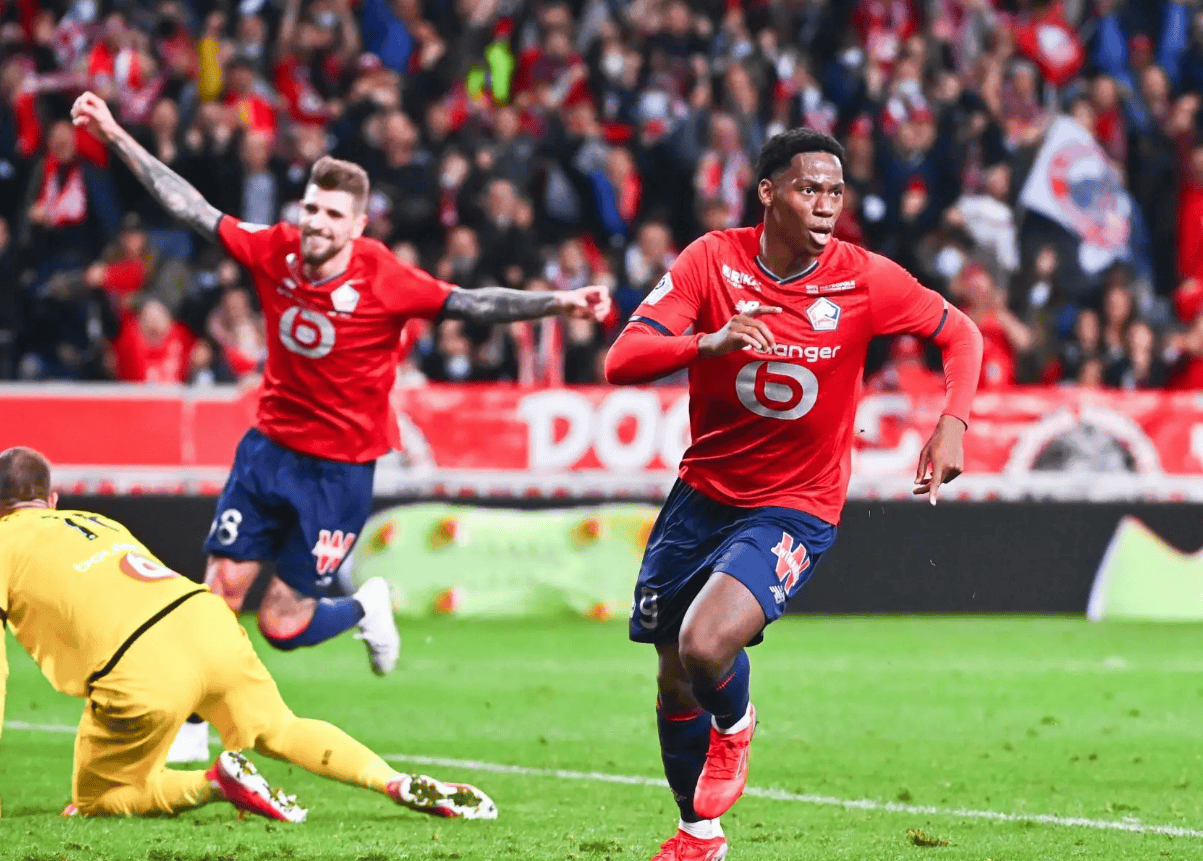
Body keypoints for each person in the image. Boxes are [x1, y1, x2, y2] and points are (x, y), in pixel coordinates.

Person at [69, 91, 610, 762]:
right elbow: (192, 208)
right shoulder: (274, 249)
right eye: (311, 208)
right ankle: (195, 720)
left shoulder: (384, 277)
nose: (316, 223)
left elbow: (471, 302)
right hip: (268, 451)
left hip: (340, 472)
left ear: (356, 225)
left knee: (281, 625)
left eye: (332, 214)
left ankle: (363, 606)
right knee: (221, 588)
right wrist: (116, 133)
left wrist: (559, 302)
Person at [604, 127, 983, 861]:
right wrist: (706, 343)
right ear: (768, 193)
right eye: (809, 189)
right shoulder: (710, 260)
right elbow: (624, 358)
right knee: (674, 677)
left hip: (794, 503)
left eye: (835, 192)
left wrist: (952, 424)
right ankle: (698, 835)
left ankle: (737, 724)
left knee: (705, 643)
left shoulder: (863, 279)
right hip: (702, 495)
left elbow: (960, 333)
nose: (825, 205)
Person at [0, 446, 497, 822]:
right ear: (52, 499)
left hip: (138, 665)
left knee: (99, 798)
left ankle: (215, 783)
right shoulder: (95, 520)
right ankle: (392, 781)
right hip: (205, 620)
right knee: (280, 728)